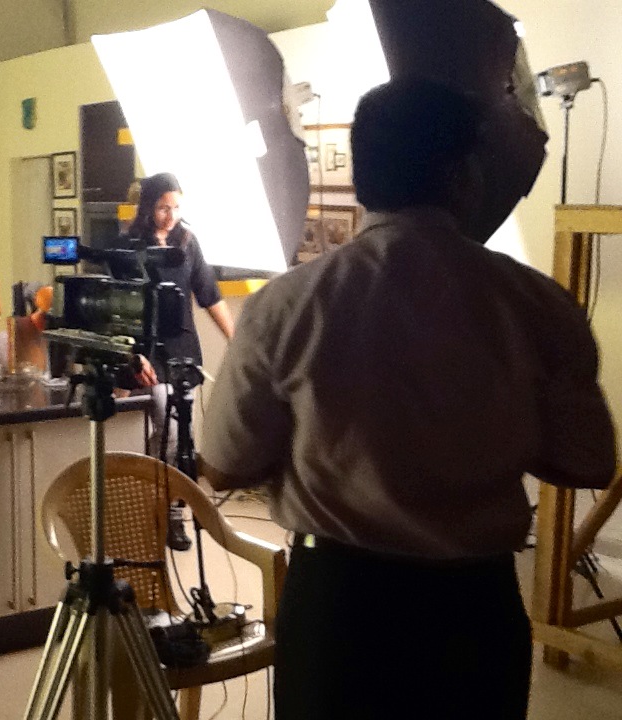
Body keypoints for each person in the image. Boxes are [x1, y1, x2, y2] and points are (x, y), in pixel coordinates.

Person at [200, 78, 617, 719]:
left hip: (339, 608)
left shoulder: (286, 305)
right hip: (474, 608)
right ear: (462, 175)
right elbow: (588, 462)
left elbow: (224, 466)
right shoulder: (538, 305)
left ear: (361, 176)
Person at [122, 172, 235, 550]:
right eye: (162, 208)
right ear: (148, 207)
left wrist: (236, 341)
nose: (170, 216)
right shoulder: (130, 246)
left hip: (182, 350)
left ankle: (168, 506)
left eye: (176, 208)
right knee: (167, 432)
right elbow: (118, 308)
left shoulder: (188, 242)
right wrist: (131, 354)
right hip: (146, 354)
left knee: (183, 435)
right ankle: (159, 504)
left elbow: (209, 295)